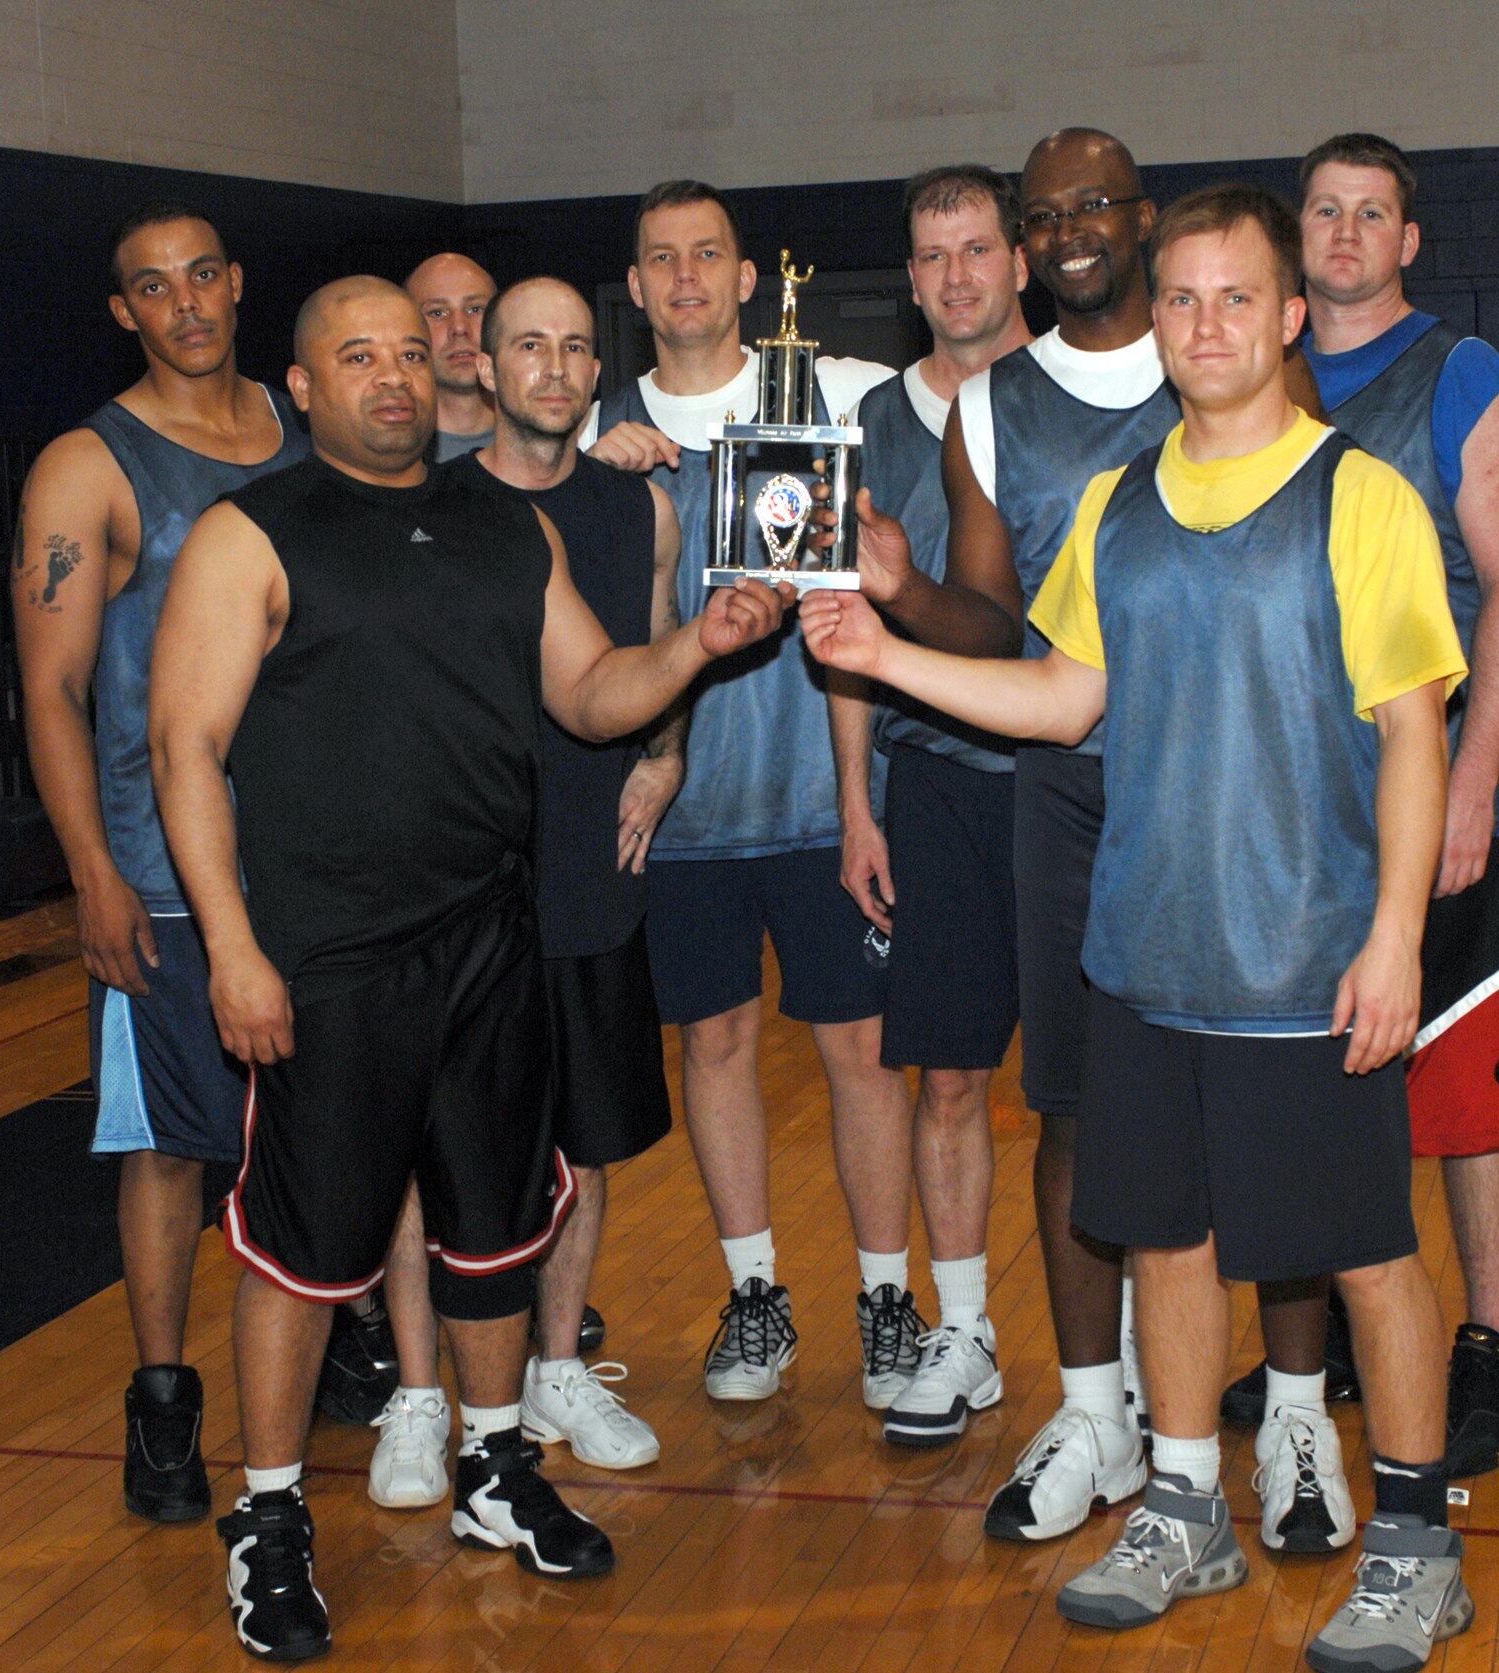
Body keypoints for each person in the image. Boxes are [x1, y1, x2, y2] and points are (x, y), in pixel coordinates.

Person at [803, 183, 1474, 1673]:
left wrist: (1395, 942)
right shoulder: (1119, 507)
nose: (1207, 323)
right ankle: (1183, 1504)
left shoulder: (1357, 497)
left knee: (1366, 1254)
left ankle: (1420, 1545)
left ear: (1289, 317)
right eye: (1183, 300)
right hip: (1146, 962)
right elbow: (1061, 699)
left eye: (1239, 297)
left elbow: (1415, 734)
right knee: (1166, 1240)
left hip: (1304, 962)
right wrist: (885, 646)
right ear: (1154, 324)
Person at [147, 276, 790, 1662]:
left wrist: (698, 642)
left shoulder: (507, 527)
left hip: (492, 941)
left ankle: (499, 1468)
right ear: (303, 387)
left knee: (497, 1228)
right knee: (308, 1254)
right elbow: (182, 750)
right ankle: (266, 1520)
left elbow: (590, 693)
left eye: (405, 352)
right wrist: (236, 950)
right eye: (354, 356)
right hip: (325, 961)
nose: (391, 376)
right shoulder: (249, 534)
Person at [13, 203, 352, 1528]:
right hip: (160, 868)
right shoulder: (83, 469)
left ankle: (340, 1338)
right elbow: (52, 688)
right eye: (154, 287)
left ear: (237, 282)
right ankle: (164, 1402)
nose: (188, 303)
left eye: (203, 274)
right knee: (164, 1148)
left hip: (318, 855)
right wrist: (91, 871)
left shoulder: (309, 422)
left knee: (331, 1123)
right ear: (124, 312)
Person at [583, 181, 910, 1406]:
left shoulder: (827, 399)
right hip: (682, 815)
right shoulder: (606, 434)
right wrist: (589, 471)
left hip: (825, 802)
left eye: (705, 254)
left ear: (743, 278)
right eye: (659, 258)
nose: (683, 277)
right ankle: (755, 1293)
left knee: (860, 1052)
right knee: (712, 1044)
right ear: (635, 286)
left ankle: (887, 1298)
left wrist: (860, 799)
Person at [363, 275, 681, 1511]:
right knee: (424, 1148)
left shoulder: (638, 508)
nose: (552, 366)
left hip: (587, 867)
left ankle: (555, 1368)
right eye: (526, 346)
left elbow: (659, 648)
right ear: (482, 368)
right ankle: (418, 1390)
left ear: (595, 371)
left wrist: (664, 758)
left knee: (582, 1140)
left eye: (574, 348)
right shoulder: (431, 507)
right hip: (454, 879)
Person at [1299, 133, 1499, 1478]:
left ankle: (1495, 1354)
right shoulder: (1255, 382)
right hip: (1305, 812)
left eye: (1372, 215)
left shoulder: (1463, 378)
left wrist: (1473, 781)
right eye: (1326, 211)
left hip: (1451, 800)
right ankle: (1347, 1332)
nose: (1346, 234)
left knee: (1473, 1083)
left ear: (1409, 241)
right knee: (1331, 1072)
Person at [822, 165, 1034, 1444]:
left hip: (1074, 782)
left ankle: (1109, 1346)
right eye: (931, 257)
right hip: (935, 788)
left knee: (1083, 1089)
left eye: (976, 249)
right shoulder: (877, 429)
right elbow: (844, 633)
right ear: (909, 282)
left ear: (1015, 260)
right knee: (947, 1077)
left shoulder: (1081, 398)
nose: (956, 276)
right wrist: (856, 802)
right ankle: (961, 1331)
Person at [404, 251, 498, 460]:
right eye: (437, 313)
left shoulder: (552, 438)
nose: (459, 327)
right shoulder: (377, 452)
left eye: (475, 309)